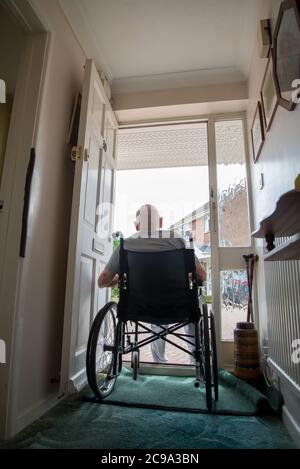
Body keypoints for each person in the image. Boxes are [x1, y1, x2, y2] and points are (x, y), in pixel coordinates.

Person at [98, 204, 206, 363]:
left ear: (136, 225)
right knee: (191, 307)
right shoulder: (179, 240)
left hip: (140, 307)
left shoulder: (125, 245)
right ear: (161, 222)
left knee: (155, 312)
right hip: (178, 306)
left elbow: (102, 281)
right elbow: (202, 276)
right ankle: (195, 361)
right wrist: (187, 277)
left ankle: (159, 361)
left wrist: (119, 280)